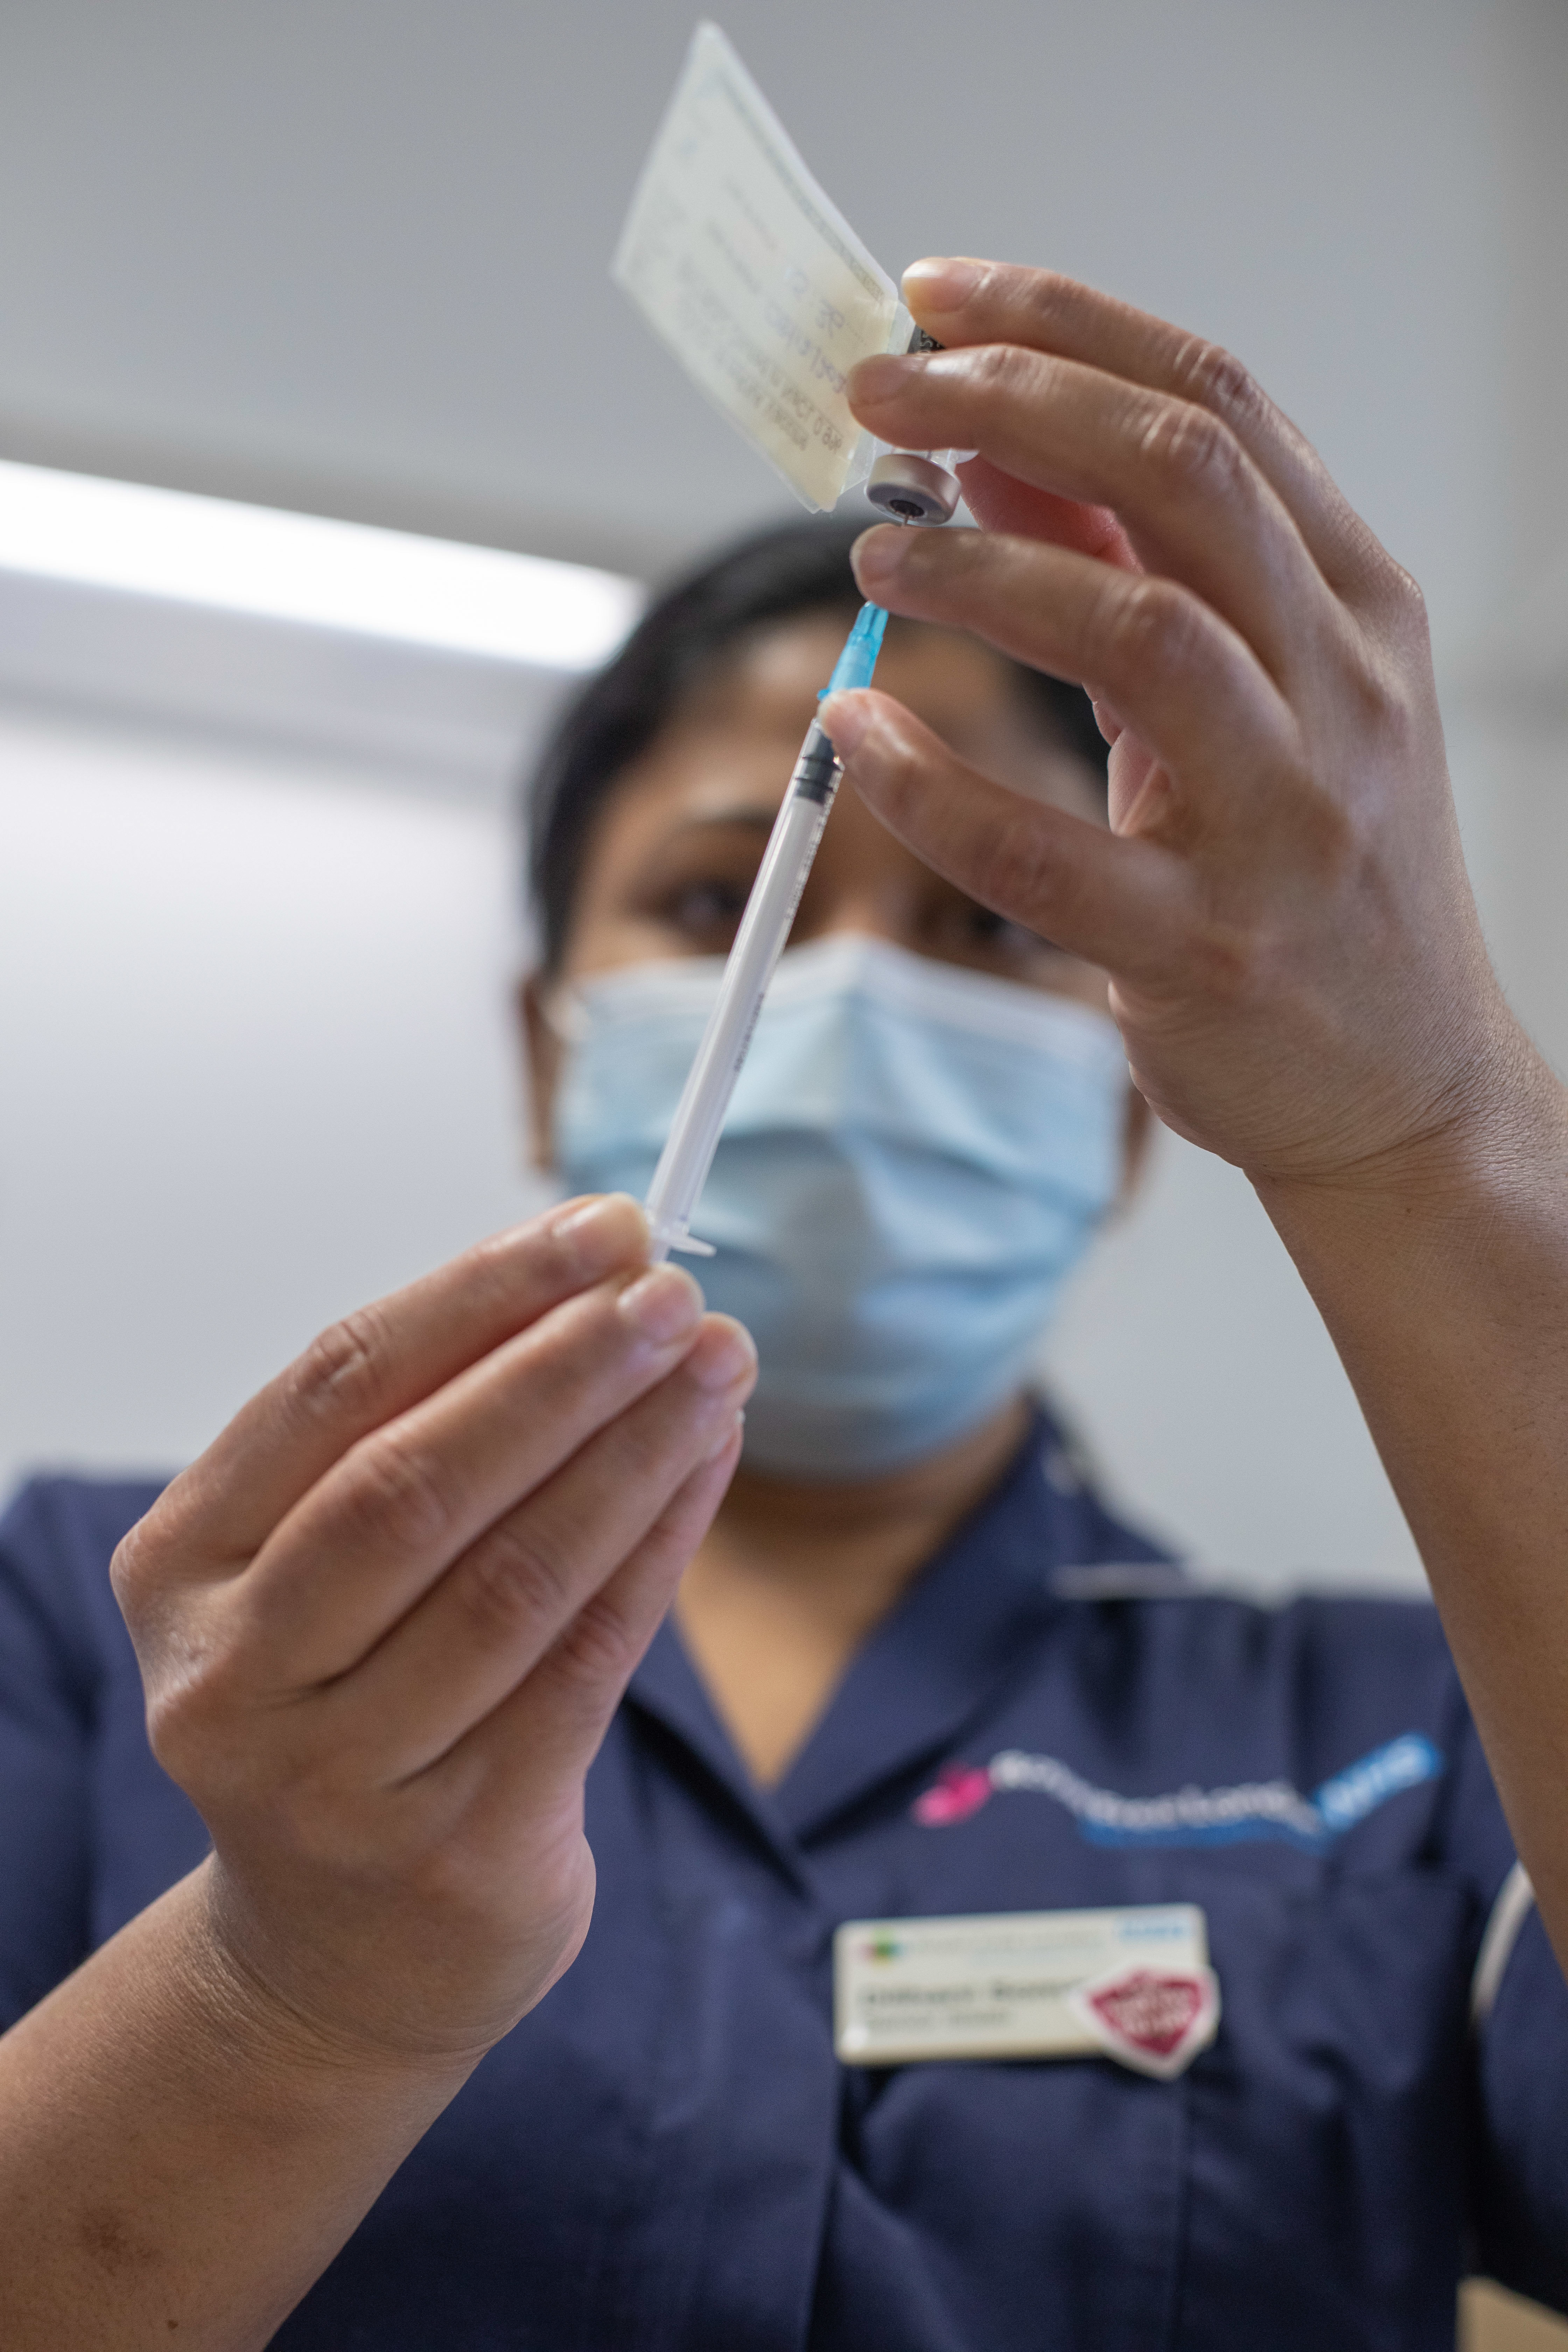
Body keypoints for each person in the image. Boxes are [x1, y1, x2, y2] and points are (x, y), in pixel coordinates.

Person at [1, 257, 1566, 2350]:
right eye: (720, 893)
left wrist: (1431, 1132)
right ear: (550, 1047)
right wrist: (287, 1996)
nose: (852, 999)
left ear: (1122, 1117)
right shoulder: (119, 1631)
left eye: (990, 920)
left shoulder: (1401, 1735)